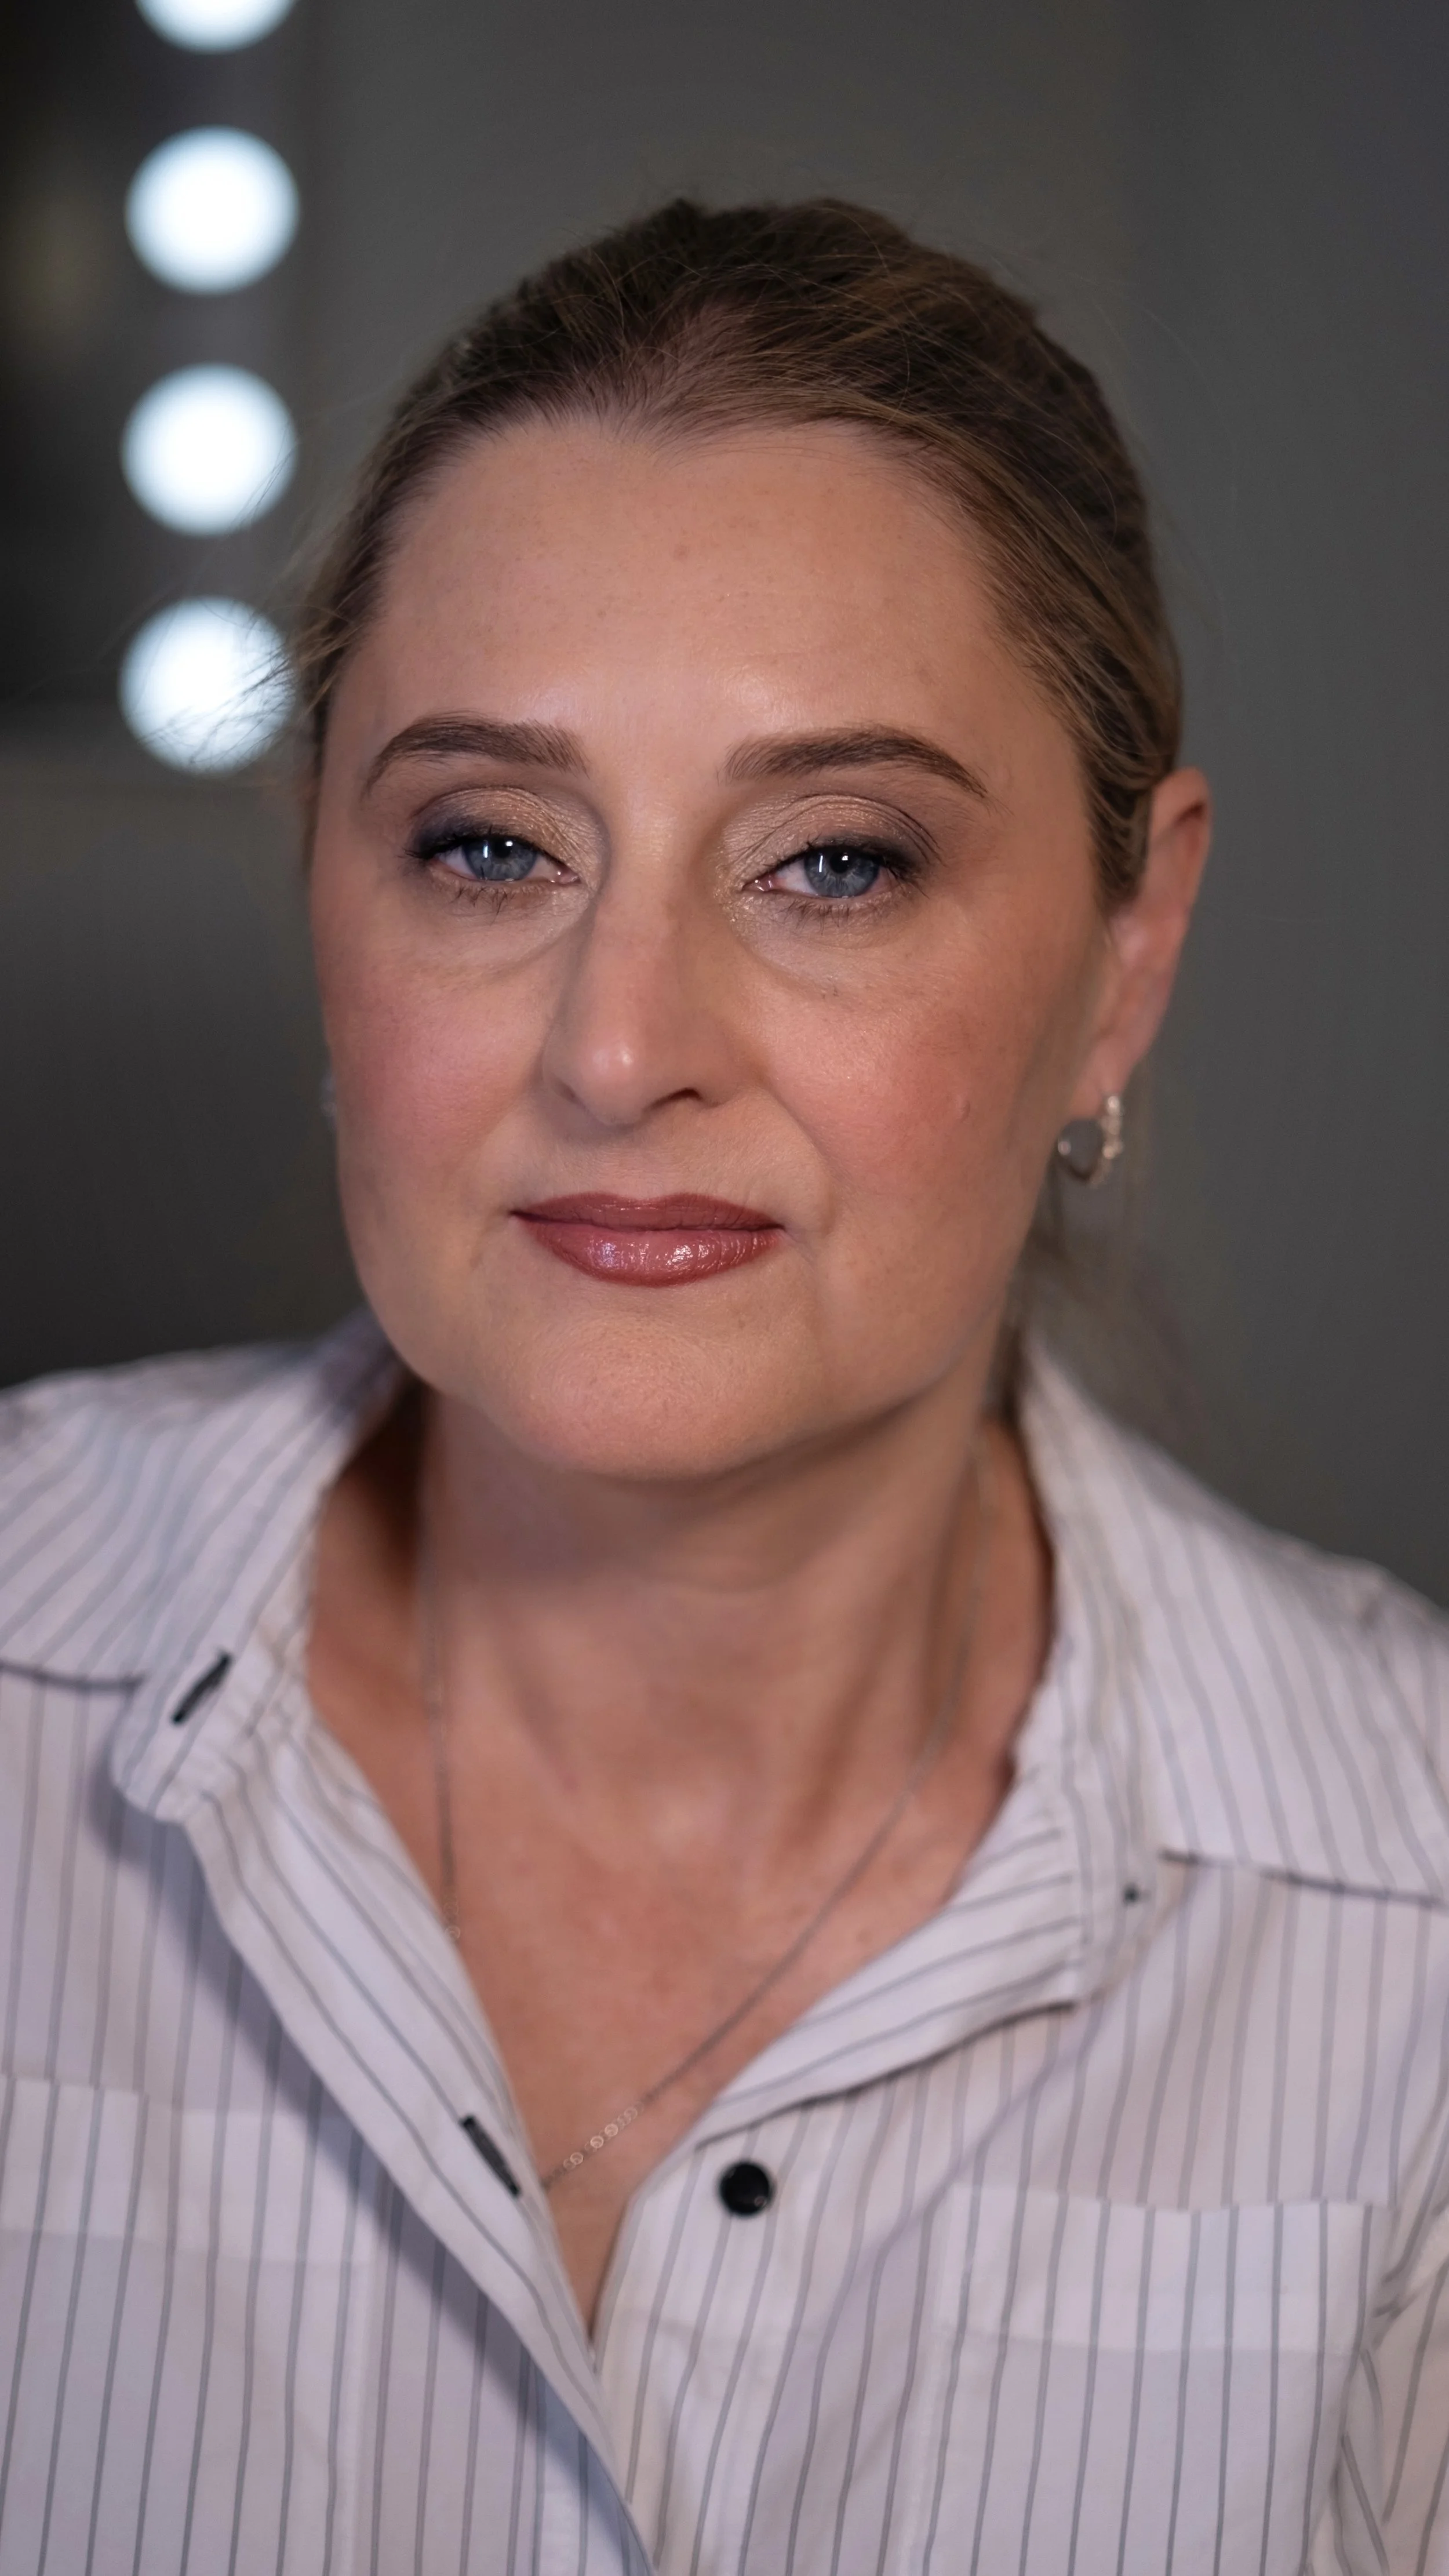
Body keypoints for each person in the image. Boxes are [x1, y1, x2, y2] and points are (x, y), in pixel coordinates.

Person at [1, 198, 1446, 2576]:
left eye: (833, 864)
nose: (620, 1044)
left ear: (1126, 953)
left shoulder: (1410, 1930)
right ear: (323, 894)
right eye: (488, 845)